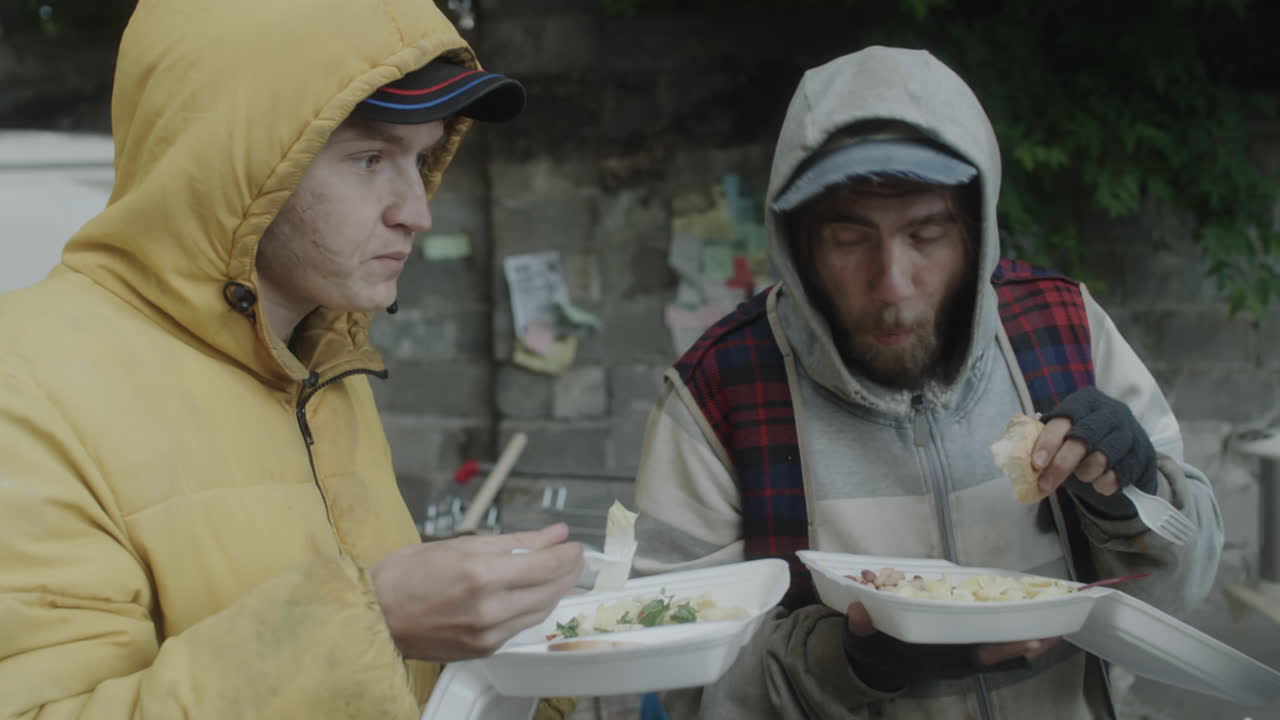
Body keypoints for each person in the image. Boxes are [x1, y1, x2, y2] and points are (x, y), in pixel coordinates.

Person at [0, 0, 583, 717]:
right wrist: (375, 620)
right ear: (231, 169)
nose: (417, 210)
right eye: (370, 158)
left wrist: (547, 671)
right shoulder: (22, 381)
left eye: (422, 158)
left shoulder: (319, 360)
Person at [631, 46, 1223, 719]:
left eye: (927, 233)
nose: (893, 286)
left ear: (976, 233)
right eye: (850, 239)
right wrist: (850, 662)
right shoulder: (717, 396)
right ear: (798, 245)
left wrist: (1134, 500)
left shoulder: (1066, 330)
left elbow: (1184, 590)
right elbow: (665, 688)